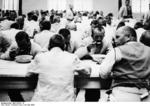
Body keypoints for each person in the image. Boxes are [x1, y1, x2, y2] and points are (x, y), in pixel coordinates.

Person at [90, 26, 150, 101]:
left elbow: (103, 74)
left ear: (128, 37)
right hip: (145, 95)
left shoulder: (117, 51)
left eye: (118, 37)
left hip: (121, 93)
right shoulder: (148, 50)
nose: (115, 40)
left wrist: (113, 73)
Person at [27, 34, 90, 101]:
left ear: (49, 46)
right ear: (64, 46)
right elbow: (87, 71)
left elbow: (28, 74)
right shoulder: (72, 57)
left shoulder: (40, 57)